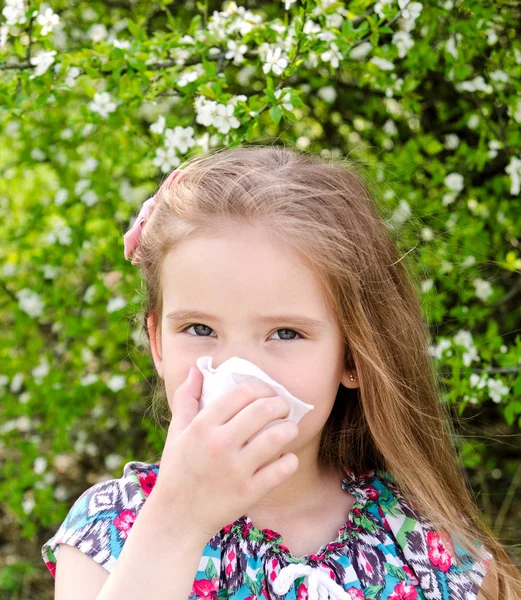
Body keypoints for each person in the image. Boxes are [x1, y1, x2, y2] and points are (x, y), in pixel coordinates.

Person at [42, 145, 521, 600]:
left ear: (353, 356)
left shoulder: (420, 537)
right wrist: (176, 523)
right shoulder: (110, 526)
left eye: (287, 333)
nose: (237, 371)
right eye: (199, 328)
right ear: (158, 342)